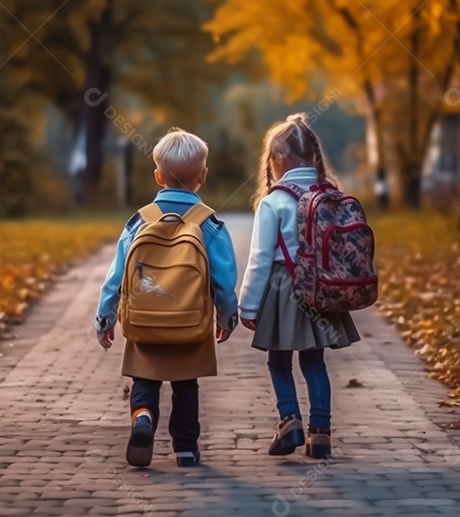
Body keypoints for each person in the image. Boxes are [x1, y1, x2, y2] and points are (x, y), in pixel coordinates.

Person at [95, 128, 239, 468]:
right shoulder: (209, 223)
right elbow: (223, 278)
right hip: (191, 321)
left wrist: (105, 316)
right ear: (202, 176)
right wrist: (227, 316)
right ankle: (186, 448)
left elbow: (116, 275)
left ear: (158, 176)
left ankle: (143, 416)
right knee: (186, 386)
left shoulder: (139, 221)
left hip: (145, 320)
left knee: (144, 379)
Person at [239, 114, 361, 459]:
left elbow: (261, 258)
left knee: (279, 362)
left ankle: (289, 420)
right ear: (313, 156)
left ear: (276, 160)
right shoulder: (331, 193)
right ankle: (320, 433)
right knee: (314, 362)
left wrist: (247, 306)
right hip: (322, 289)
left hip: (283, 289)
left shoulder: (274, 201)